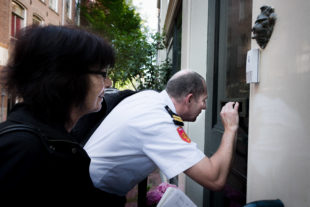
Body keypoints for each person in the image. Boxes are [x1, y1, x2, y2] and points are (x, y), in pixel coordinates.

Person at [84, 70, 239, 204]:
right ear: (189, 99)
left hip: (85, 181)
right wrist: (230, 128)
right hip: (91, 194)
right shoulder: (158, 122)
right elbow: (214, 178)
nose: (205, 106)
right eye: (204, 100)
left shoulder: (150, 98)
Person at [0, 25, 116, 203]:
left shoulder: (52, 139)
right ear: (67, 78)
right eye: (102, 74)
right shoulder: (24, 148)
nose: (107, 83)